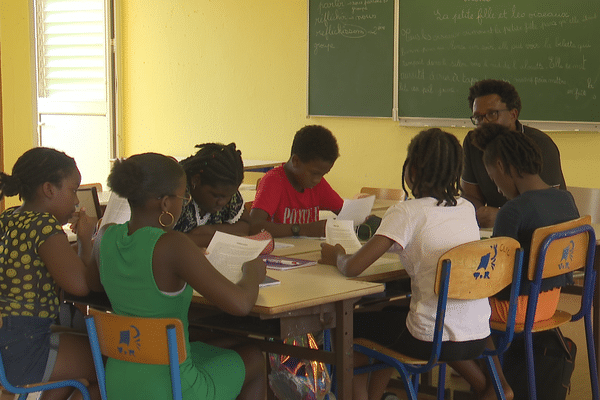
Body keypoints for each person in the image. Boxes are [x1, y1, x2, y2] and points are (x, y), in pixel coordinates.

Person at [320, 129, 510, 400]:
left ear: (412, 169)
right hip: (478, 330)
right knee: (389, 312)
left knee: (349, 328)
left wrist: (335, 255)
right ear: (456, 169)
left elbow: (353, 268)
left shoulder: (406, 212)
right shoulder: (466, 208)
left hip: (429, 338)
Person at [94, 153, 266, 400]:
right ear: (165, 203)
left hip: (118, 378)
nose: (185, 203)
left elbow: (92, 284)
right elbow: (240, 304)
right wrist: (252, 272)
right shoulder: (172, 244)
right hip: (171, 385)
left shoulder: (105, 236)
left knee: (224, 342)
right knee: (253, 357)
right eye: (183, 196)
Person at [0, 147, 101, 400]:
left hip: (7, 342)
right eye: (73, 190)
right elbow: (80, 286)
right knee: (115, 360)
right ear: (48, 189)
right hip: (24, 348)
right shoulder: (43, 224)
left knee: (81, 355)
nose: (77, 201)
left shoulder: (8, 218)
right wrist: (86, 241)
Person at [471, 123, 579, 325]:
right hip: (550, 302)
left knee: (451, 302)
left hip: (514, 309)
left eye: (494, 179)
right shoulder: (567, 199)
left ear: (501, 166)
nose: (498, 189)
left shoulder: (512, 211)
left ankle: (484, 356)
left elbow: (497, 276)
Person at [462, 79, 566, 228]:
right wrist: (477, 214)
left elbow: (548, 205)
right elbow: (470, 196)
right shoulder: (472, 143)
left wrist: (502, 215)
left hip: (536, 230)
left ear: (513, 114)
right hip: (493, 231)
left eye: (492, 114)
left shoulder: (541, 144)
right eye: (478, 117)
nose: (484, 122)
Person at [250, 125, 344, 238]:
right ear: (295, 161)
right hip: (278, 252)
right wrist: (303, 229)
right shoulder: (273, 181)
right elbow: (253, 226)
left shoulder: (317, 184)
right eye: (315, 173)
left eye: (323, 174)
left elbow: (344, 212)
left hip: (304, 250)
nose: (317, 180)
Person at [173, 142, 250, 247]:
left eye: (229, 196)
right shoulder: (177, 192)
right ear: (196, 180)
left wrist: (210, 230)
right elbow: (164, 239)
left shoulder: (225, 186)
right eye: (215, 195)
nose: (222, 202)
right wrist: (217, 238)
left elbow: (245, 225)